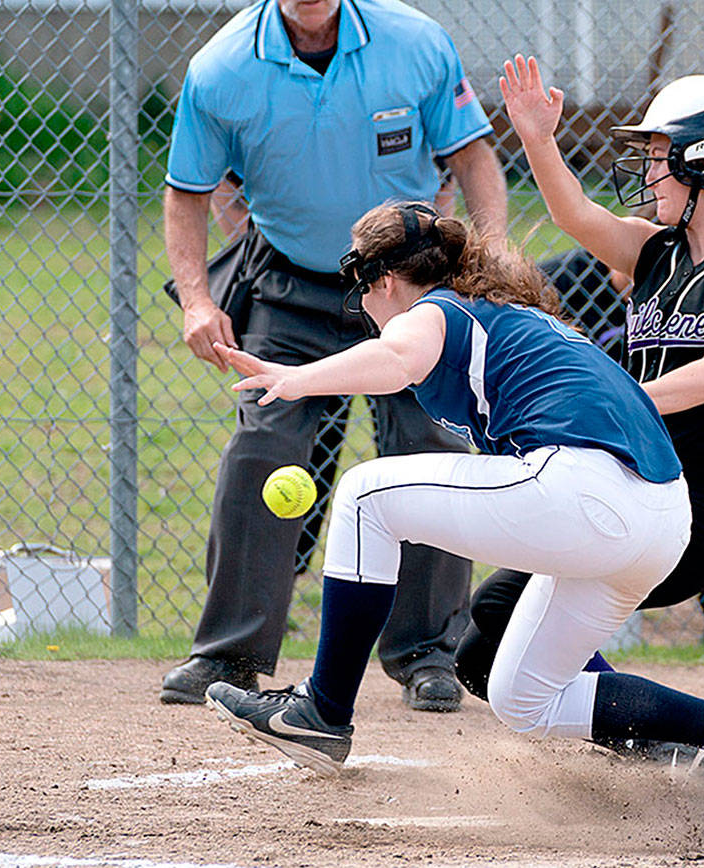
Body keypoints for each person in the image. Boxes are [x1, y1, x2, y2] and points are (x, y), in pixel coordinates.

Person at [203, 199, 704, 819]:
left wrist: (296, 377)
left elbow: (399, 357)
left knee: (363, 496)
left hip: (585, 488)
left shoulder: (435, 308)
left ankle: (322, 712)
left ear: (384, 280)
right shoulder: (510, 313)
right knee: (526, 698)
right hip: (659, 518)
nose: (366, 304)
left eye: (365, 286)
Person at [160, 0, 508, 708]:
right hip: (290, 283)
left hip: (408, 286)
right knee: (265, 447)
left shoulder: (415, 43)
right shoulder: (220, 69)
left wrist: (490, 261)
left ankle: (426, 655)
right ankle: (230, 654)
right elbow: (185, 193)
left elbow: (474, 157)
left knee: (429, 444)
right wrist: (198, 300)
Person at [456, 61, 704, 692]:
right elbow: (572, 214)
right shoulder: (653, 252)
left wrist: (607, 402)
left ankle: (699, 739)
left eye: (660, 155)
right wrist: (537, 136)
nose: (647, 172)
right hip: (621, 492)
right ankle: (651, 756)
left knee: (500, 612)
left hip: (688, 508)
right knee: (482, 655)